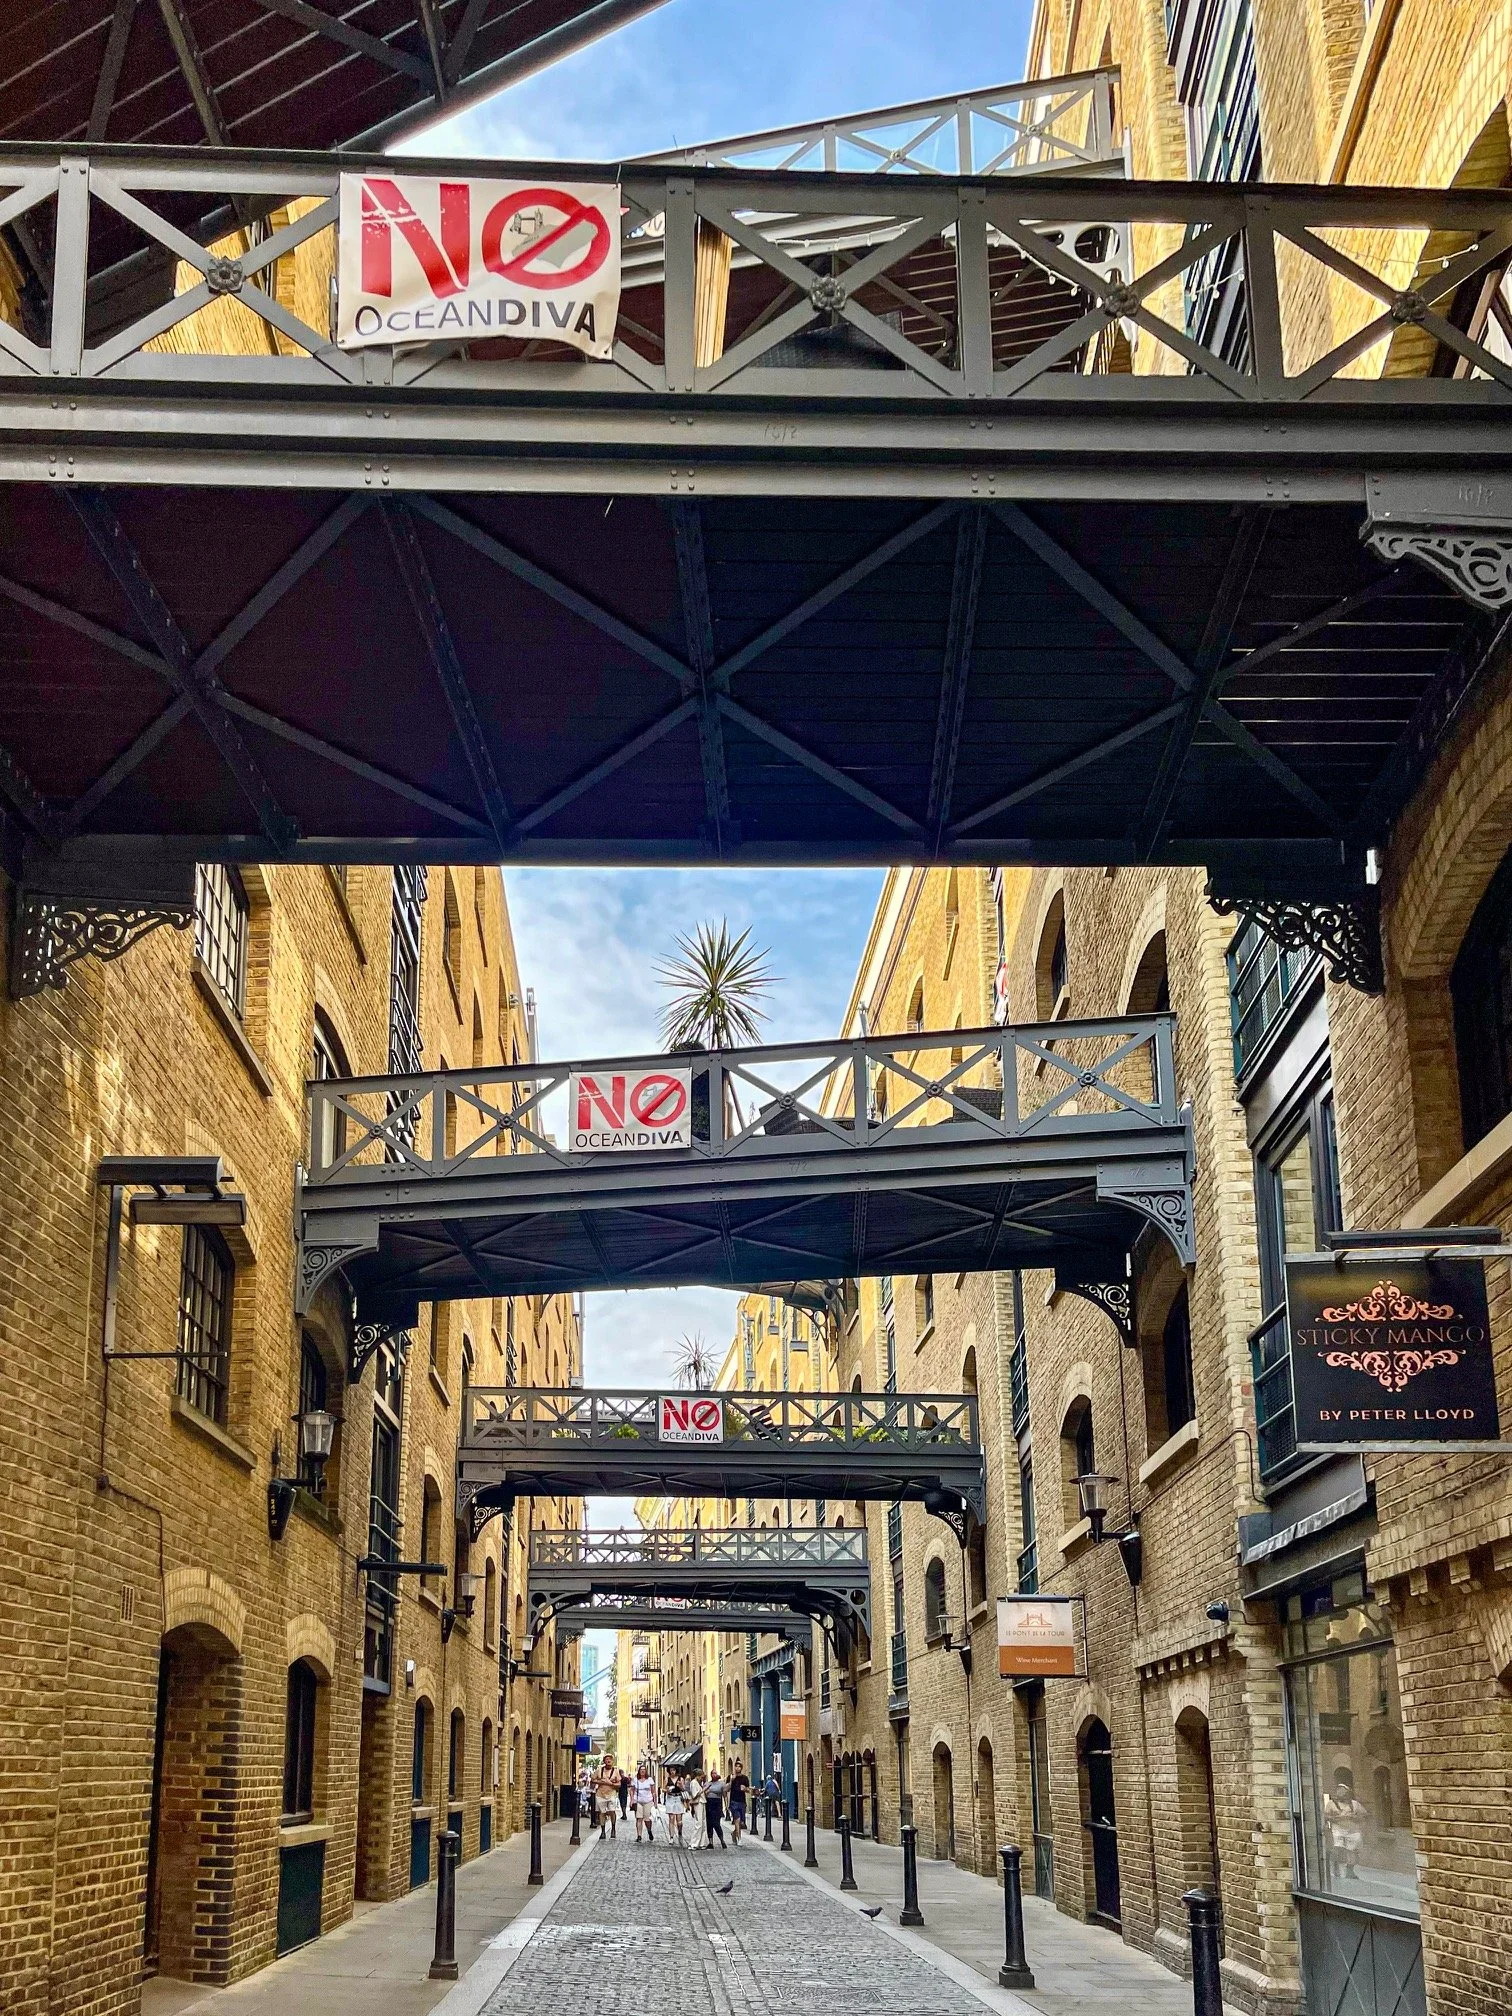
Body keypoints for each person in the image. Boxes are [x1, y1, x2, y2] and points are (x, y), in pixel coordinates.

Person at [1324, 1767, 1368, 1880]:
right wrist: (1337, 1818)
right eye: (1339, 1790)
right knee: (1338, 1849)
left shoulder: (1354, 1804)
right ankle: (1336, 1867)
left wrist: (1354, 1817)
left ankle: (1350, 1870)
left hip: (1353, 1830)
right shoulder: (1331, 1804)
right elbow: (1325, 1816)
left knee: (1354, 1851)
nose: (1340, 1792)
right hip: (1338, 1829)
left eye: (1343, 1791)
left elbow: (1365, 1814)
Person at [595, 1754, 620, 1840]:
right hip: (601, 1794)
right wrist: (601, 1782)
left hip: (611, 1794)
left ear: (612, 1761)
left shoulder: (615, 1771)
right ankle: (602, 1831)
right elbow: (593, 1779)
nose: (608, 1760)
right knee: (602, 1813)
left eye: (610, 1759)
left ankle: (613, 1828)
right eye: (607, 1759)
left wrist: (611, 1784)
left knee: (612, 1811)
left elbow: (619, 1784)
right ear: (604, 1761)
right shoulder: (599, 1770)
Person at [704, 1766, 727, 1849]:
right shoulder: (707, 1783)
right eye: (713, 1773)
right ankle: (710, 1842)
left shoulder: (721, 1783)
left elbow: (724, 1794)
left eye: (715, 1773)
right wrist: (707, 1791)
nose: (714, 1775)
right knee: (709, 1823)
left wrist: (726, 1806)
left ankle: (722, 1840)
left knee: (716, 1823)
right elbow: (704, 1793)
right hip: (709, 1803)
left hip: (717, 1803)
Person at [683, 1770, 706, 1850]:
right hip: (698, 1803)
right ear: (698, 1776)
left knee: (703, 1824)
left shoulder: (698, 1783)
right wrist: (703, 1790)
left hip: (702, 1802)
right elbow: (694, 1795)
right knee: (698, 1823)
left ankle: (701, 1843)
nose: (702, 1778)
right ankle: (694, 1843)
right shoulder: (693, 1782)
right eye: (701, 1776)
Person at [633, 1762, 656, 1842]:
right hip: (638, 1801)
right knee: (639, 1818)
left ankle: (649, 1830)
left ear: (646, 1771)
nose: (642, 1771)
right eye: (641, 1770)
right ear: (639, 1771)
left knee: (647, 1819)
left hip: (648, 1801)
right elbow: (632, 1790)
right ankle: (639, 1835)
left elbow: (653, 1791)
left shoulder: (649, 1780)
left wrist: (655, 1802)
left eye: (644, 1770)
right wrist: (632, 1800)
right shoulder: (635, 1779)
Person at [728, 1763, 749, 1842]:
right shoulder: (731, 1777)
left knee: (741, 1822)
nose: (737, 1768)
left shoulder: (745, 1778)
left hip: (742, 1801)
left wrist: (745, 1789)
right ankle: (739, 1838)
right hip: (733, 1801)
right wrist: (731, 1780)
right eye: (736, 1766)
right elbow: (727, 1789)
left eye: (739, 1766)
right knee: (737, 1819)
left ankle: (734, 1833)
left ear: (741, 1768)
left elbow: (748, 1789)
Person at [664, 1770, 686, 1844]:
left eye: (673, 1770)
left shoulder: (680, 1779)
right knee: (671, 1818)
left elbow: (684, 1790)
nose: (672, 1771)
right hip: (670, 1798)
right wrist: (667, 1790)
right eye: (671, 1770)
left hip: (678, 1798)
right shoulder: (667, 1779)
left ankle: (680, 1830)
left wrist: (680, 1786)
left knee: (679, 1820)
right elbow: (663, 1789)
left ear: (676, 1770)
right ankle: (671, 1837)